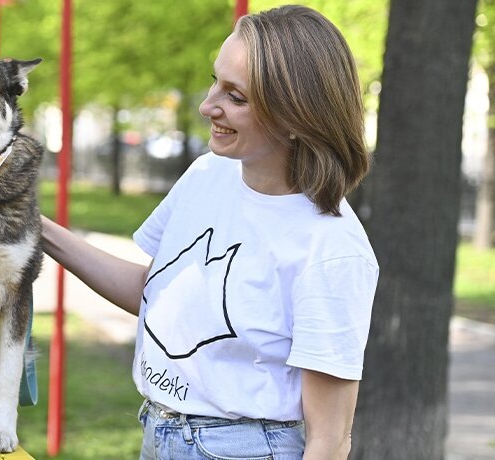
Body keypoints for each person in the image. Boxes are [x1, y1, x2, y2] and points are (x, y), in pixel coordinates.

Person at [41, 5, 378, 460]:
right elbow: (154, 292)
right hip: (160, 432)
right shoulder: (208, 174)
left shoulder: (331, 247)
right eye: (215, 81)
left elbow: (330, 438)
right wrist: (33, 226)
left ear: (296, 117)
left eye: (235, 96)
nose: (207, 105)